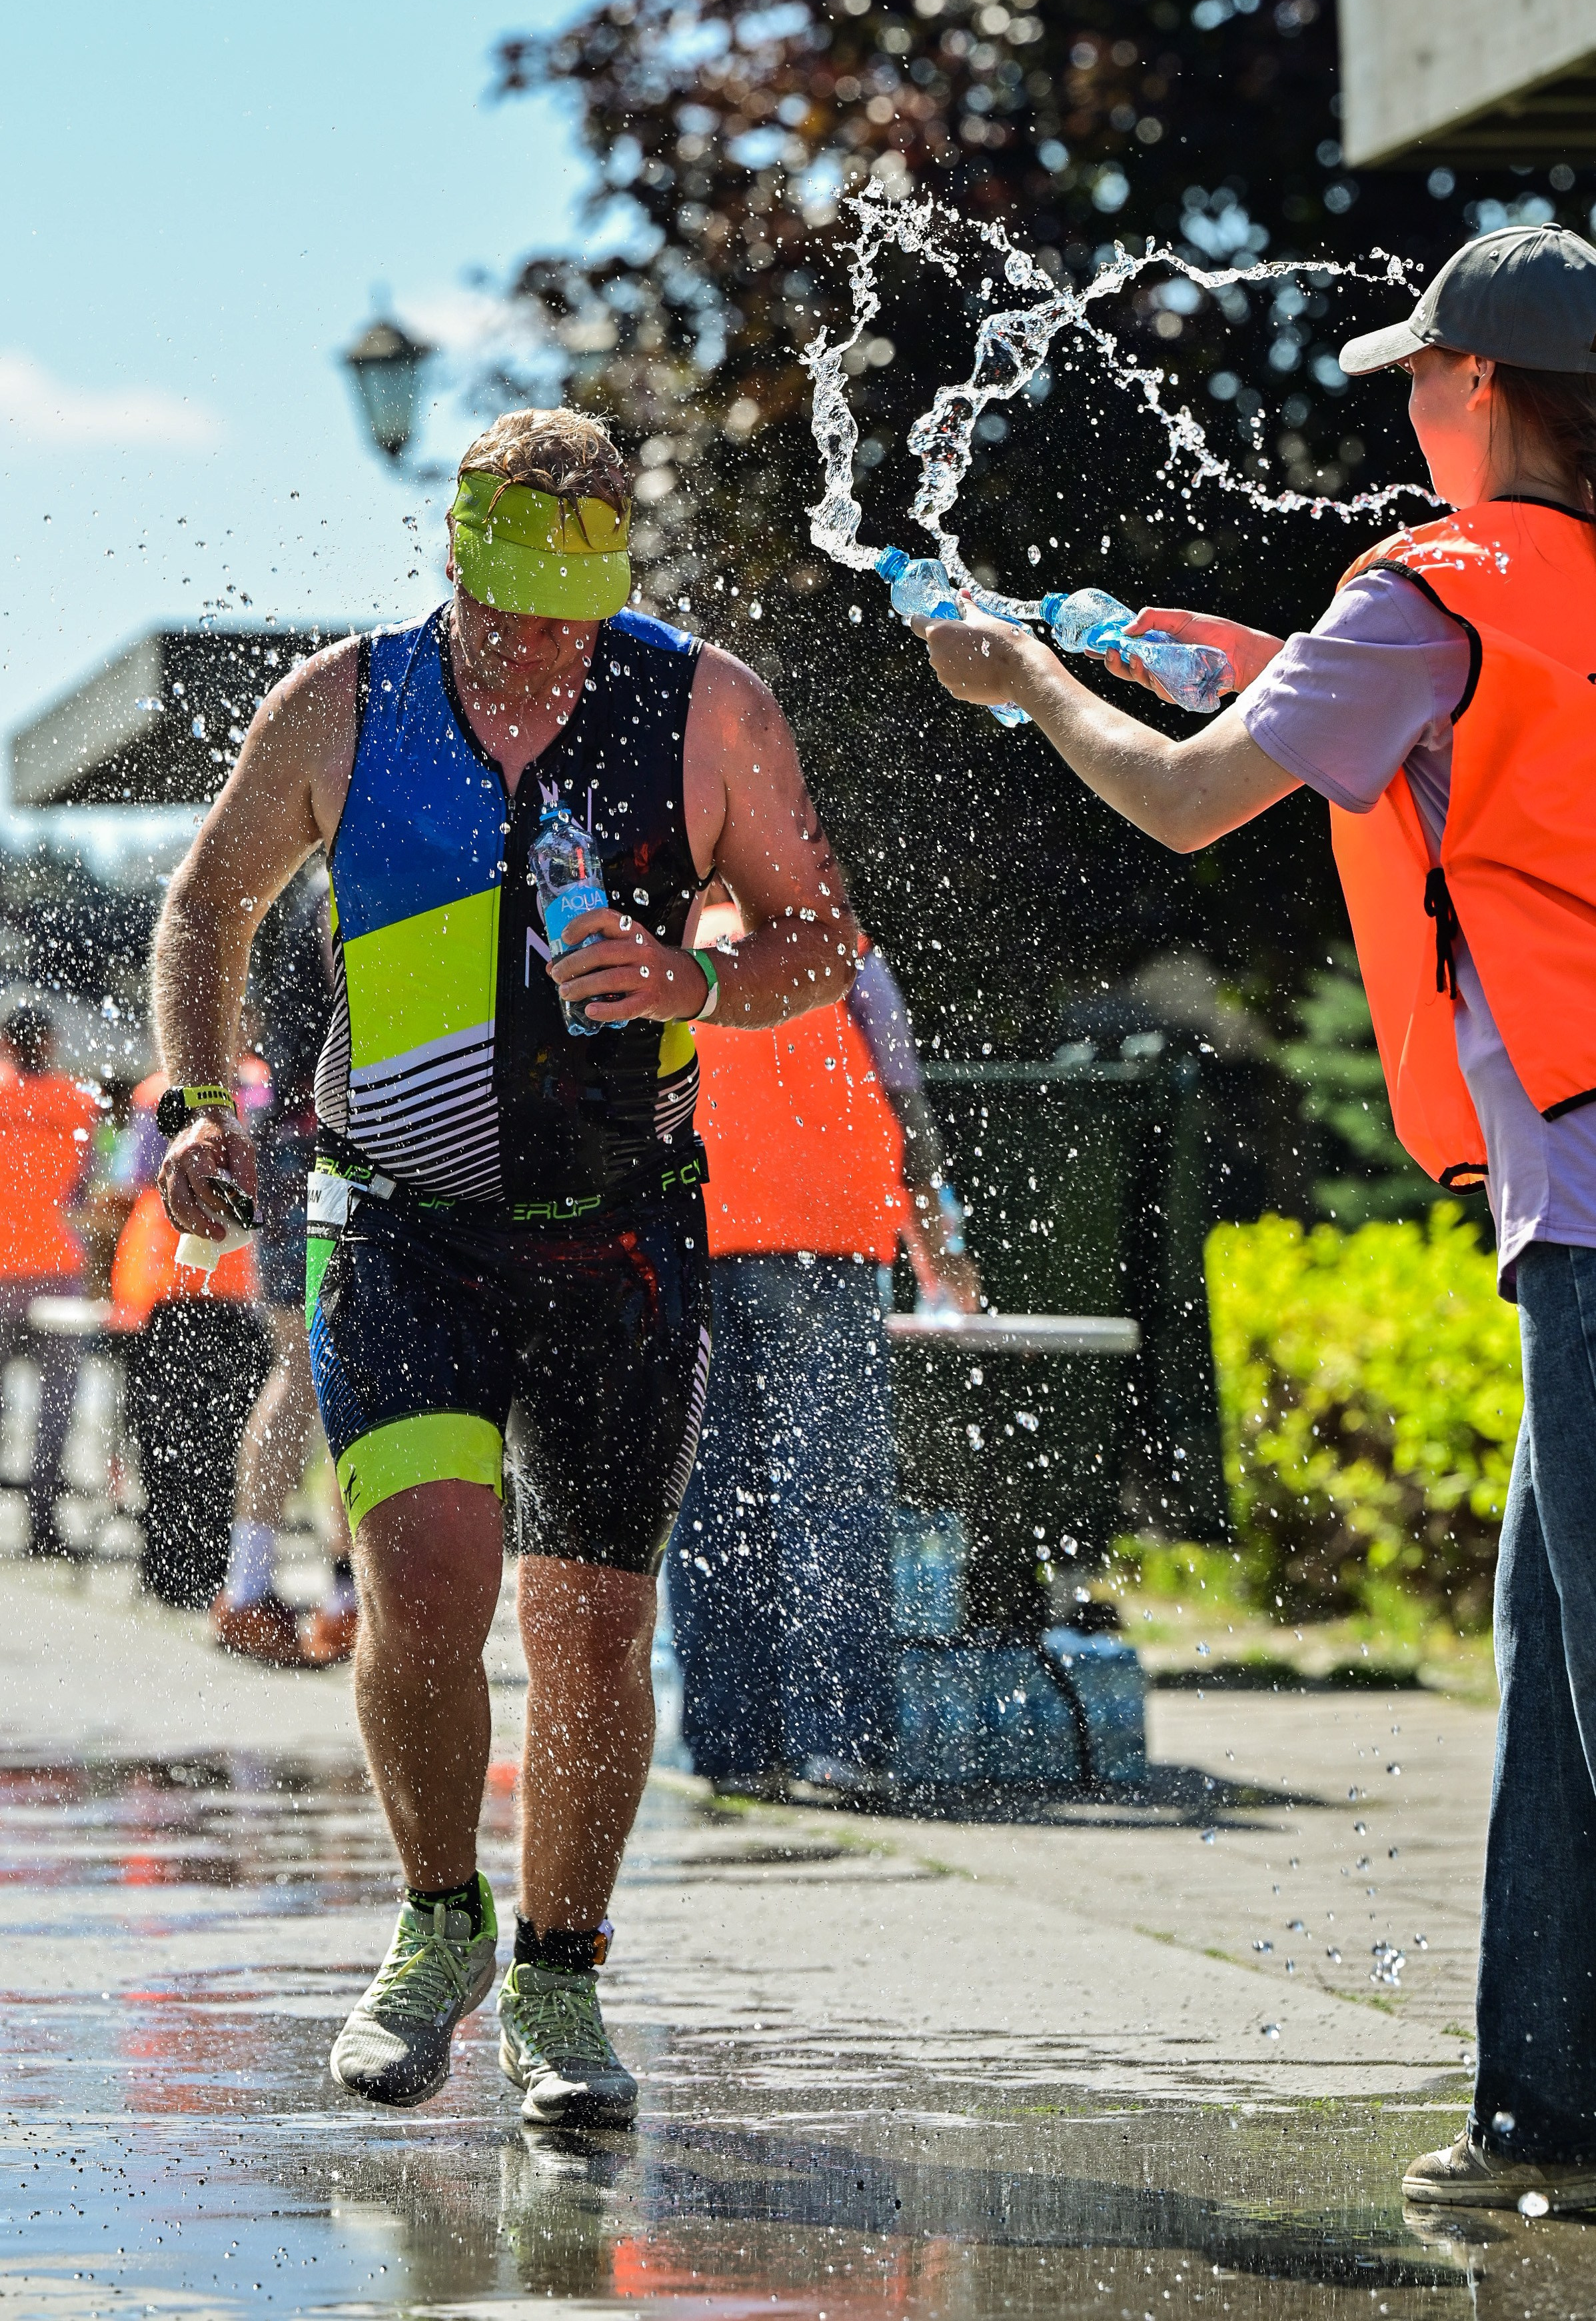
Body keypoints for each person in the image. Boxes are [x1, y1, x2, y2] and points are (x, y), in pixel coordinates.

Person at [910, 223, 1596, 2210]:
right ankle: (1541, 2118)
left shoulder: (1433, 581)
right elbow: (1428, 735)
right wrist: (1222, 652)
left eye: (1417, 376)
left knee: (1584, 1672)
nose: (1400, 405)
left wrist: (1029, 674)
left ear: (1478, 392)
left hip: (1586, 1191)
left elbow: (1195, 800)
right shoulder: (1515, 596)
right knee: (1546, 1665)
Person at [150, 407, 858, 2127]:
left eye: (577, 610)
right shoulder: (344, 704)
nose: (548, 647)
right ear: (454, 562)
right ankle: (431, 1927)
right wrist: (194, 1101)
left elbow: (821, 935)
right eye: (518, 611)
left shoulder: (706, 707)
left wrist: (697, 986)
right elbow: (206, 901)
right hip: (395, 1219)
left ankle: (558, 1973)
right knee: (425, 1571)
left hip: (622, 1233)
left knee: (597, 1627)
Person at [672, 901, 978, 1795]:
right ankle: (845, 1744)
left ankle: (735, 1749)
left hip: (695, 1238)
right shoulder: (837, 946)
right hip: (826, 1240)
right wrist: (941, 1246)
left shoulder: (670, 945)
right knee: (831, 1498)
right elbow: (904, 1098)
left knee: (712, 1507)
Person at [211, 879, 359, 1668]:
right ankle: (279, 1590)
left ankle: (309, 1589)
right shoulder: (337, 882)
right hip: (320, 1149)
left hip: (292, 1144)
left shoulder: (294, 887)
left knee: (315, 1372)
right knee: (319, 1373)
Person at [111, 1066, 273, 1608]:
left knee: (165, 1438)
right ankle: (205, 1573)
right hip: (230, 1286)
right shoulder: (263, 1086)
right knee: (220, 1438)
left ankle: (167, 1570)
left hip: (168, 1284)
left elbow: (131, 1178)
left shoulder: (163, 1091)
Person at [0, 1005, 98, 1557]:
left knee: (50, 1403)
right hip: (56, 1268)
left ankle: (40, 1517)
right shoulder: (76, 1099)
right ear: (51, 1043)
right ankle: (42, 1521)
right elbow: (82, 1188)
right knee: (55, 1404)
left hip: (24, 1267)